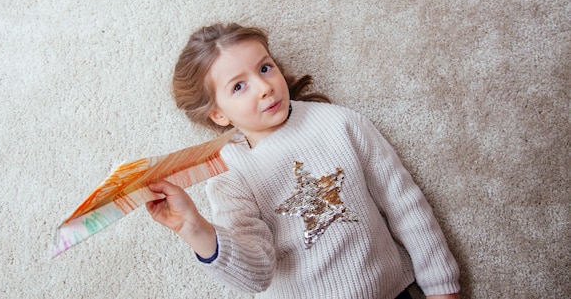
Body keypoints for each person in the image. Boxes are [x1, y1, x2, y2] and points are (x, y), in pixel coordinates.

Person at [146, 23, 461, 299]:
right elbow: (255, 275)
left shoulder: (340, 123)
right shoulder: (229, 172)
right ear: (218, 114)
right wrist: (193, 228)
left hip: (391, 290)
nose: (265, 87)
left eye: (265, 68)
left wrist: (441, 284)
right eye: (239, 87)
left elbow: (404, 204)